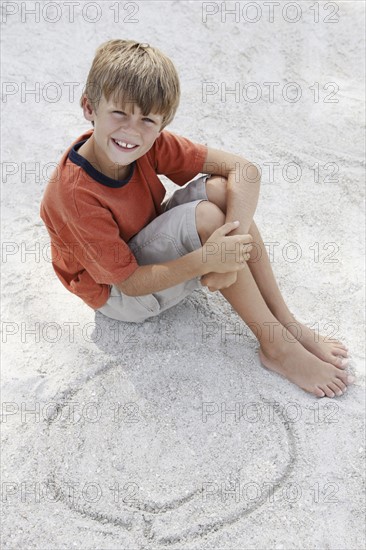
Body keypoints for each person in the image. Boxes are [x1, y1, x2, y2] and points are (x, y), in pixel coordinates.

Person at [40, 39, 354, 399]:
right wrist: (208, 259)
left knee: (223, 191)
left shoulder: (150, 142)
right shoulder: (75, 195)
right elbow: (128, 283)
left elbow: (245, 170)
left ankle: (286, 323)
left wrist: (227, 263)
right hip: (119, 294)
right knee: (207, 218)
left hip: (144, 244)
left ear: (161, 125)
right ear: (89, 107)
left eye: (147, 120)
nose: (131, 131)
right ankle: (276, 348)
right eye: (119, 114)